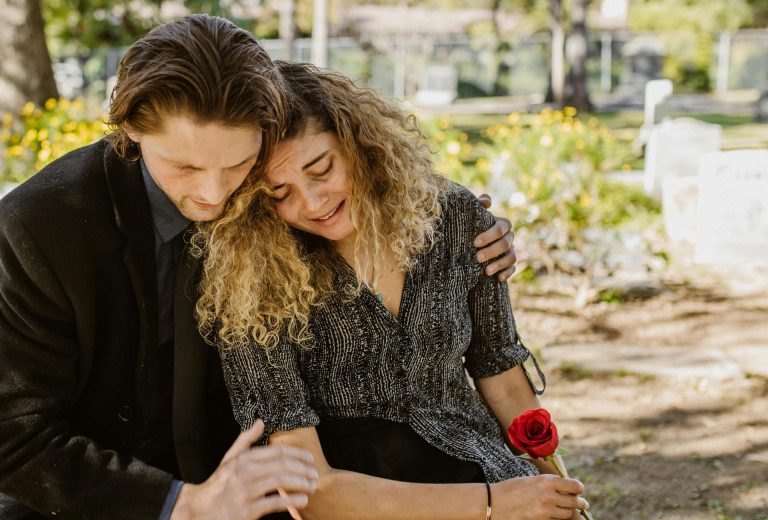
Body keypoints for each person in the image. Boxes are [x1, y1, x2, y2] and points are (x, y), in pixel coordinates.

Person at [0, 15, 519, 520]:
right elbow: (9, 436)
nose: (214, 194)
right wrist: (178, 506)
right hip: (81, 490)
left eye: (238, 163)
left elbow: (371, 184)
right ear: (130, 132)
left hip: (239, 474)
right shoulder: (44, 221)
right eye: (184, 167)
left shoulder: (273, 197)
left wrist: (472, 223)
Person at [195, 62, 590, 520]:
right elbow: (307, 487)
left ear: (357, 144)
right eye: (280, 193)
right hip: (360, 496)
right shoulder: (249, 279)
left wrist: (554, 488)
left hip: (472, 459)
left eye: (321, 169)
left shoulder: (456, 218)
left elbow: (499, 369)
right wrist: (490, 505)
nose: (313, 201)